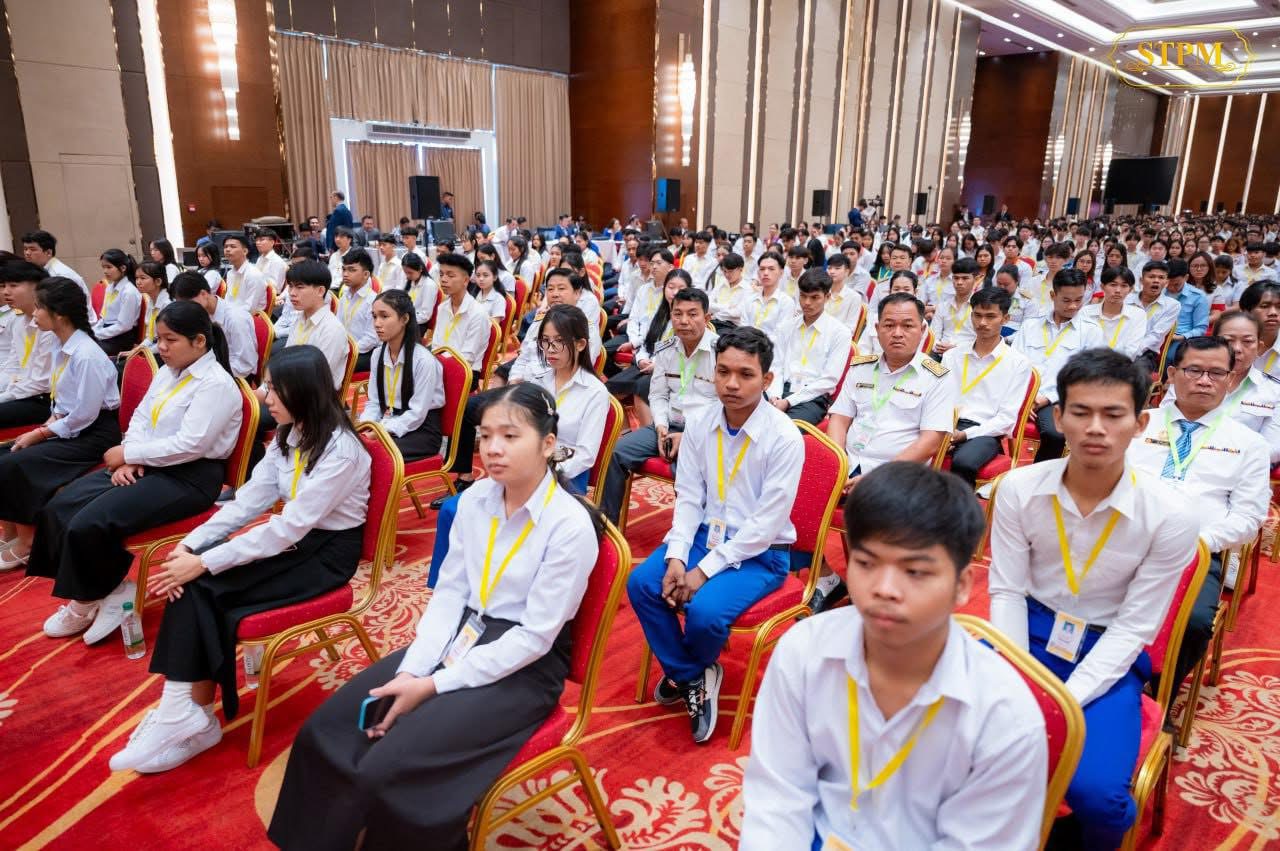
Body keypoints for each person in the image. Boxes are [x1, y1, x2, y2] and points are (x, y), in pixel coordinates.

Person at [741, 462, 1047, 850]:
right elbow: (778, 797)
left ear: (962, 585)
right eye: (866, 564)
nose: (884, 589)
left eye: (914, 571)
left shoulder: (1004, 716)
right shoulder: (804, 651)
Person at [105, 346, 369, 774]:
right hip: (295, 543)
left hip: (325, 556)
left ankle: (186, 714)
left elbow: (288, 528)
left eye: (275, 389)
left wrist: (205, 562)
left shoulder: (342, 452)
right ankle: (187, 713)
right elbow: (246, 502)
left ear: (304, 392)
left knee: (203, 582)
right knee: (194, 579)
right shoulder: (289, 435)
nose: (265, 396)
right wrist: (192, 546)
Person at [989, 347, 1199, 850]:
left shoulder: (1170, 515)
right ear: (1058, 417)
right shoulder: (1018, 489)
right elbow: (1007, 590)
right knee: (936, 735)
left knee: (1099, 797)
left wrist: (1062, 702)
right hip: (1026, 633)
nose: (1095, 429)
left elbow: (1135, 627)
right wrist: (1021, 679)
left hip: (1106, 653)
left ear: (1140, 423)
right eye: (1081, 413)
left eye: (1113, 414)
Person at [626, 327, 802, 744]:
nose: (732, 384)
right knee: (642, 584)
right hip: (706, 535)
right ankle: (694, 674)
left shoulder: (783, 437)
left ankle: (684, 669)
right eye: (723, 372)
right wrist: (676, 555)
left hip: (762, 552)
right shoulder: (702, 422)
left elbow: (765, 526)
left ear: (767, 379)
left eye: (746, 374)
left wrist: (701, 571)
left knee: (704, 612)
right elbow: (689, 497)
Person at [31, 301, 242, 641]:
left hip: (190, 477)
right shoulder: (169, 371)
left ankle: (95, 597)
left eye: (170, 340)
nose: (162, 347)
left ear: (199, 341)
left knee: (91, 521)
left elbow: (191, 445)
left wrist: (132, 453)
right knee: (61, 506)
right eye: (159, 339)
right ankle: (103, 590)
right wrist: (132, 456)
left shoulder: (216, 384)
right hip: (150, 460)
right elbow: (141, 417)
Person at [1126, 336, 1269, 688]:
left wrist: (1196, 541)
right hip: (1123, 538)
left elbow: (1249, 518)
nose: (1205, 381)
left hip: (1195, 553)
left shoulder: (1249, 444)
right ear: (1172, 374)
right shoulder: (1137, 423)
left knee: (1192, 623)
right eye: (1194, 370)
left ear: (1230, 379)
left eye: (1216, 373)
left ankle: (1157, 695)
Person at [429, 306, 610, 581]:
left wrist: (539, 475)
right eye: (545, 341)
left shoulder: (594, 392)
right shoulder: (539, 380)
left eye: (558, 342)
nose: (550, 350)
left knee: (503, 523)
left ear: (581, 344)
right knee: (452, 511)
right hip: (523, 466)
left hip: (564, 475)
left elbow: (585, 455)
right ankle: (451, 585)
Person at [819, 292, 956, 611]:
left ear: (922, 330)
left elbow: (930, 441)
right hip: (850, 464)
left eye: (907, 325)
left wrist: (877, 478)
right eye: (889, 325)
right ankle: (825, 577)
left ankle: (875, 588)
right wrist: (838, 462)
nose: (897, 333)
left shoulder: (937, 378)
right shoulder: (861, 367)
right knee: (796, 492)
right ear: (877, 328)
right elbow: (839, 418)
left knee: (871, 509)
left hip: (901, 474)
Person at [0, 278, 121, 571]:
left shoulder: (87, 355)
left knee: (14, 464)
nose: (34, 315)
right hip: (70, 423)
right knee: (5, 454)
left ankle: (28, 542)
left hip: (94, 433)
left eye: (39, 308)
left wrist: (42, 433)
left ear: (60, 314)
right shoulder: (60, 343)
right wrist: (47, 425)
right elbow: (62, 402)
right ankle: (12, 533)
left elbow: (85, 414)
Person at [599, 288, 718, 525]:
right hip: (668, 424)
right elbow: (658, 394)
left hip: (703, 433)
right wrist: (661, 425)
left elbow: (723, 405)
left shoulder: (720, 351)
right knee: (616, 453)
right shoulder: (665, 348)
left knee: (690, 471)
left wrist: (690, 435)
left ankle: (691, 531)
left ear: (706, 318)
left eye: (692, 314)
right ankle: (606, 526)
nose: (684, 321)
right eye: (678, 314)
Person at [941, 287, 1033, 487]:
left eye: (990, 316)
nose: (982, 323)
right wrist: (943, 430)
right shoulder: (951, 356)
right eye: (977, 315)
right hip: (945, 424)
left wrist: (963, 435)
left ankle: (960, 507)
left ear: (1005, 319)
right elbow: (938, 400)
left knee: (964, 462)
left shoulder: (1017, 363)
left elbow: (1006, 419)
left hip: (984, 431)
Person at [1013, 268, 1105, 462]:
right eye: (1066, 300)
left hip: (1058, 398)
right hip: (1020, 393)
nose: (1073, 306)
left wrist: (1046, 398)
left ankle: (1040, 476)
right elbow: (1014, 364)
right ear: (1053, 296)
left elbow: (1087, 378)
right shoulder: (1031, 325)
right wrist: (1025, 397)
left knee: (1055, 434)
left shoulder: (1091, 331)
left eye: (1078, 300)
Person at [1168, 311, 1280, 462]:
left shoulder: (1274, 391)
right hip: (1180, 458)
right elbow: (1167, 424)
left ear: (1259, 347)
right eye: (1228, 340)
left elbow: (1273, 448)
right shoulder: (1188, 377)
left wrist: (1220, 455)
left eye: (1247, 341)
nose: (1237, 348)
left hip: (1240, 467)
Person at [359, 289, 445, 462]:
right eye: (374, 316)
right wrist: (366, 425)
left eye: (384, 316)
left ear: (404, 319)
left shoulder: (423, 360)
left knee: (371, 454)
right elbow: (374, 402)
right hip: (390, 419)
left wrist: (381, 431)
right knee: (351, 445)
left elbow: (417, 413)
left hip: (421, 430)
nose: (377, 323)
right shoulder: (377, 355)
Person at [768, 269, 852, 424]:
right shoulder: (786, 327)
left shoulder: (840, 333)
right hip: (780, 388)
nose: (807, 302)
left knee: (786, 430)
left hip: (813, 397)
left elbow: (829, 380)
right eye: (803, 296)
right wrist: (774, 395)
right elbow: (776, 366)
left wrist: (789, 401)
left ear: (827, 297)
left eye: (814, 297)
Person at [169, 272, 259, 382]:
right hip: (213, 367)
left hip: (236, 376)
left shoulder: (236, 318)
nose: (186, 310)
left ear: (203, 294)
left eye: (188, 304)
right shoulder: (201, 313)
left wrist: (208, 373)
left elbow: (245, 365)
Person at [0, 262, 57, 428]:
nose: (6, 292)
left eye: (13, 285)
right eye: (4, 286)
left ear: (37, 287)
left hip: (46, 400)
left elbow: (41, 383)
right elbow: (12, 366)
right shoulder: (19, 321)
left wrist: (5, 396)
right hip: (22, 392)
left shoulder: (49, 325)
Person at [281, 260, 349, 390]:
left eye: (300, 287)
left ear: (320, 291)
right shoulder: (301, 318)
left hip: (313, 396)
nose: (292, 293)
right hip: (290, 385)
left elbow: (317, 379)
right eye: (290, 286)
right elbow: (285, 358)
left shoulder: (332, 329)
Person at [431, 253, 490, 373]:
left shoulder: (478, 313)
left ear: (465, 280)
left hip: (466, 371)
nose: (443, 279)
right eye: (441, 274)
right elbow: (436, 345)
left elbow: (467, 358)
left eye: (450, 275)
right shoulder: (442, 307)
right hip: (440, 364)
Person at [22, 230, 95, 321]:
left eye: (32, 249)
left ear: (48, 252)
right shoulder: (40, 271)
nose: (27, 253)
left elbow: (69, 309)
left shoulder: (59, 274)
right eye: (25, 249)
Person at [1080, 265, 1148, 359]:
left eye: (1124, 286)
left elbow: (1131, 350)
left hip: (1121, 366)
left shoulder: (1138, 315)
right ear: (1102, 286)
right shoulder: (1086, 313)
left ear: (1130, 289)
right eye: (1113, 285)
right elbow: (1082, 346)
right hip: (1088, 364)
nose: (1118, 290)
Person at [1127, 260, 1180, 375]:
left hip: (1146, 353)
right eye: (1151, 277)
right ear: (1141, 280)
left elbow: (1156, 336)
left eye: (1161, 277)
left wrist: (1130, 353)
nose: (1156, 280)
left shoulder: (1172, 305)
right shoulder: (1126, 299)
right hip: (1120, 345)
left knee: (1132, 372)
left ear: (1166, 282)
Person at [92, 249, 143, 357]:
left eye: (109, 267)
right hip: (108, 332)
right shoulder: (109, 287)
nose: (105, 271)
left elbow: (123, 326)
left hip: (122, 338)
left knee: (90, 350)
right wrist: (92, 331)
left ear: (123, 268)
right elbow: (103, 318)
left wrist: (98, 334)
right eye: (103, 267)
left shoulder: (129, 292)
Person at [336, 250, 379, 373]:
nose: (345, 274)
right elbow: (338, 327)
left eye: (352, 270)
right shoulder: (345, 296)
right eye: (344, 269)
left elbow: (371, 339)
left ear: (365, 274)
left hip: (366, 352)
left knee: (331, 367)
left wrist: (347, 351)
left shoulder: (373, 301)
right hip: (346, 348)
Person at [744, 251, 797, 348]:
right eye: (762, 269)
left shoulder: (786, 302)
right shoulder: (749, 299)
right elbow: (743, 327)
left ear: (781, 273)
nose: (765, 273)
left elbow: (780, 336)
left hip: (771, 351)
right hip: (746, 347)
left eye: (771, 269)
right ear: (758, 273)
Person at [928, 256, 978, 355]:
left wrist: (955, 349)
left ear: (975, 279)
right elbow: (934, 335)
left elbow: (981, 339)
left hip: (968, 355)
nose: (959, 282)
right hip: (940, 354)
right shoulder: (943, 306)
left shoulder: (980, 308)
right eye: (956, 278)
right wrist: (938, 346)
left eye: (965, 278)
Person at [1241, 281, 1280, 380]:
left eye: (1279, 307)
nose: (1273, 313)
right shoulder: (1229, 345)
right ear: (1246, 311)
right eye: (1264, 306)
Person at [221, 234, 269, 313]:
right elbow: (229, 299)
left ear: (245, 251)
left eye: (233, 246)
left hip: (249, 317)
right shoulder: (230, 273)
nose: (227, 250)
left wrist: (228, 315)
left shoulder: (253, 274)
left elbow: (251, 307)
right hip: (232, 313)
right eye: (226, 247)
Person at [708, 252, 751, 331]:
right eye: (724, 271)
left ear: (740, 269)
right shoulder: (721, 283)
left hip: (732, 327)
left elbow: (736, 313)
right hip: (713, 321)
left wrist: (715, 313)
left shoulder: (747, 289)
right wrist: (727, 307)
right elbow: (708, 303)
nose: (727, 275)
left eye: (730, 271)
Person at [823, 252, 865, 332]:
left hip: (838, 336)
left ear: (847, 271)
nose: (832, 271)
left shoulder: (854, 297)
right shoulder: (821, 291)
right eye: (829, 268)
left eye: (837, 268)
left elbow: (850, 328)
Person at [400, 251, 438, 333]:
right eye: (405, 273)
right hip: (409, 318)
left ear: (420, 269)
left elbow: (425, 315)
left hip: (420, 324)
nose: (407, 276)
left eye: (410, 273)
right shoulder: (412, 281)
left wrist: (405, 320)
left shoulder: (429, 285)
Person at [254, 231, 288, 297]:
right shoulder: (260, 258)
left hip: (269, 297)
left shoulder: (277, 261)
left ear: (272, 242)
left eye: (261, 240)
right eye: (256, 240)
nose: (257, 243)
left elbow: (275, 288)